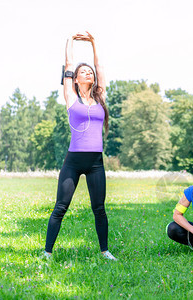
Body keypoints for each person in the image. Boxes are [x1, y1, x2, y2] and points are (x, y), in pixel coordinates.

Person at [43, 32, 116, 260]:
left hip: (95, 162)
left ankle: (105, 251)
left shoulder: (99, 96)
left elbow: (100, 65)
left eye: (90, 72)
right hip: (73, 162)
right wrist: (70, 41)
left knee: (99, 209)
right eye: (83, 72)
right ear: (75, 78)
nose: (89, 73)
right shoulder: (71, 97)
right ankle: (47, 252)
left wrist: (94, 42)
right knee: (60, 208)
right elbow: (68, 64)